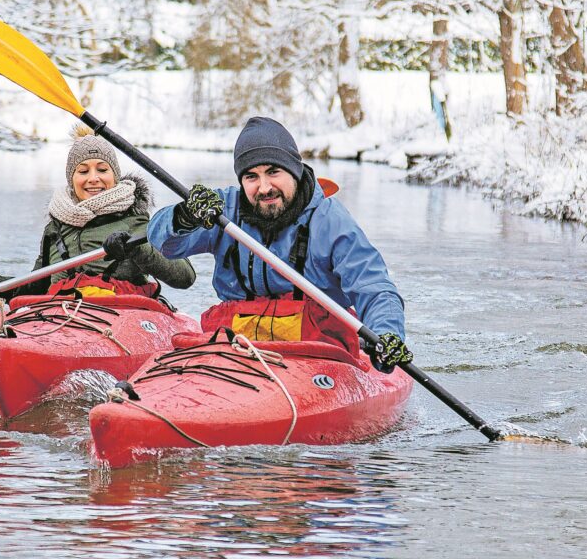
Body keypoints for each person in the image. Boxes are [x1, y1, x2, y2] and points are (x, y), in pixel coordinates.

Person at [146, 116, 412, 371]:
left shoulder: (330, 220)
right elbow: (163, 241)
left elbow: (374, 287)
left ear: (294, 171)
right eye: (251, 177)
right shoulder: (223, 210)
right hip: (236, 348)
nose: (264, 188)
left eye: (273, 172)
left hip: (314, 353)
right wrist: (184, 216)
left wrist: (386, 334)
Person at [0, 125, 195, 301]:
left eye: (102, 169)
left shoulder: (135, 220)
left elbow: (185, 277)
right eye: (83, 171)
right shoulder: (56, 227)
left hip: (120, 316)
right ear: (72, 178)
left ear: (114, 176)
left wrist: (136, 249)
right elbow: (39, 284)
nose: (93, 178)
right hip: (63, 316)